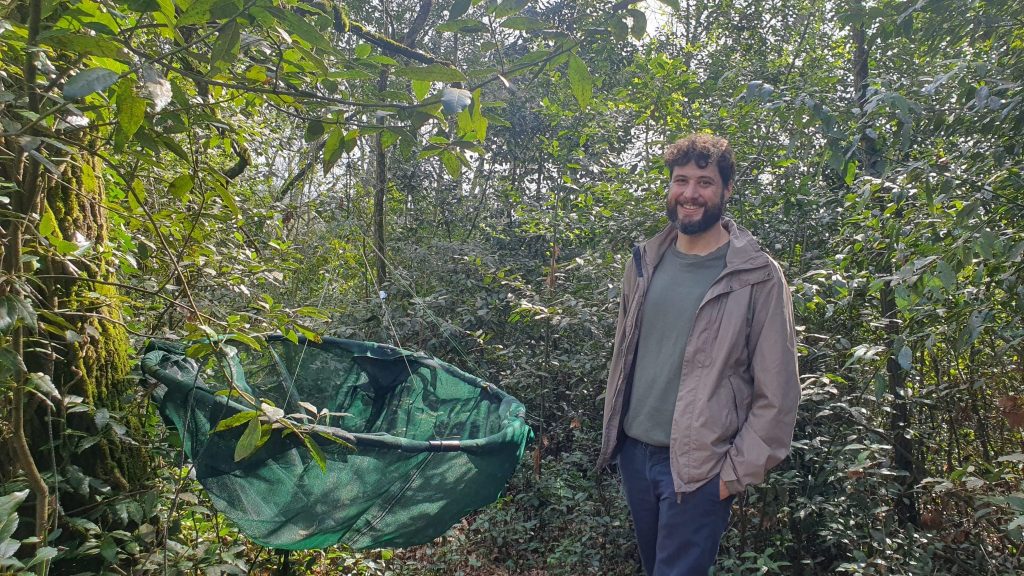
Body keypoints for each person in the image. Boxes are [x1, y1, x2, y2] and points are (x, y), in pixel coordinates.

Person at [597, 134, 800, 576]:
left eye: (705, 182)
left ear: (726, 190)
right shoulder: (644, 262)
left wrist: (730, 476)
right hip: (636, 455)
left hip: (699, 469)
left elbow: (778, 393)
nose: (690, 193)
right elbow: (624, 358)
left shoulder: (756, 276)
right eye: (681, 180)